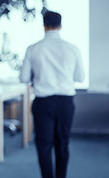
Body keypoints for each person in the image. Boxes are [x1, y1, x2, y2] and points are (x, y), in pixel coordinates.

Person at [19, 10, 85, 178]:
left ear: (44, 26)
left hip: (43, 103)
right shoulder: (73, 49)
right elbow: (80, 77)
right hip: (65, 102)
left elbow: (24, 78)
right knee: (63, 143)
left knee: (44, 145)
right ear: (60, 26)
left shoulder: (33, 49)